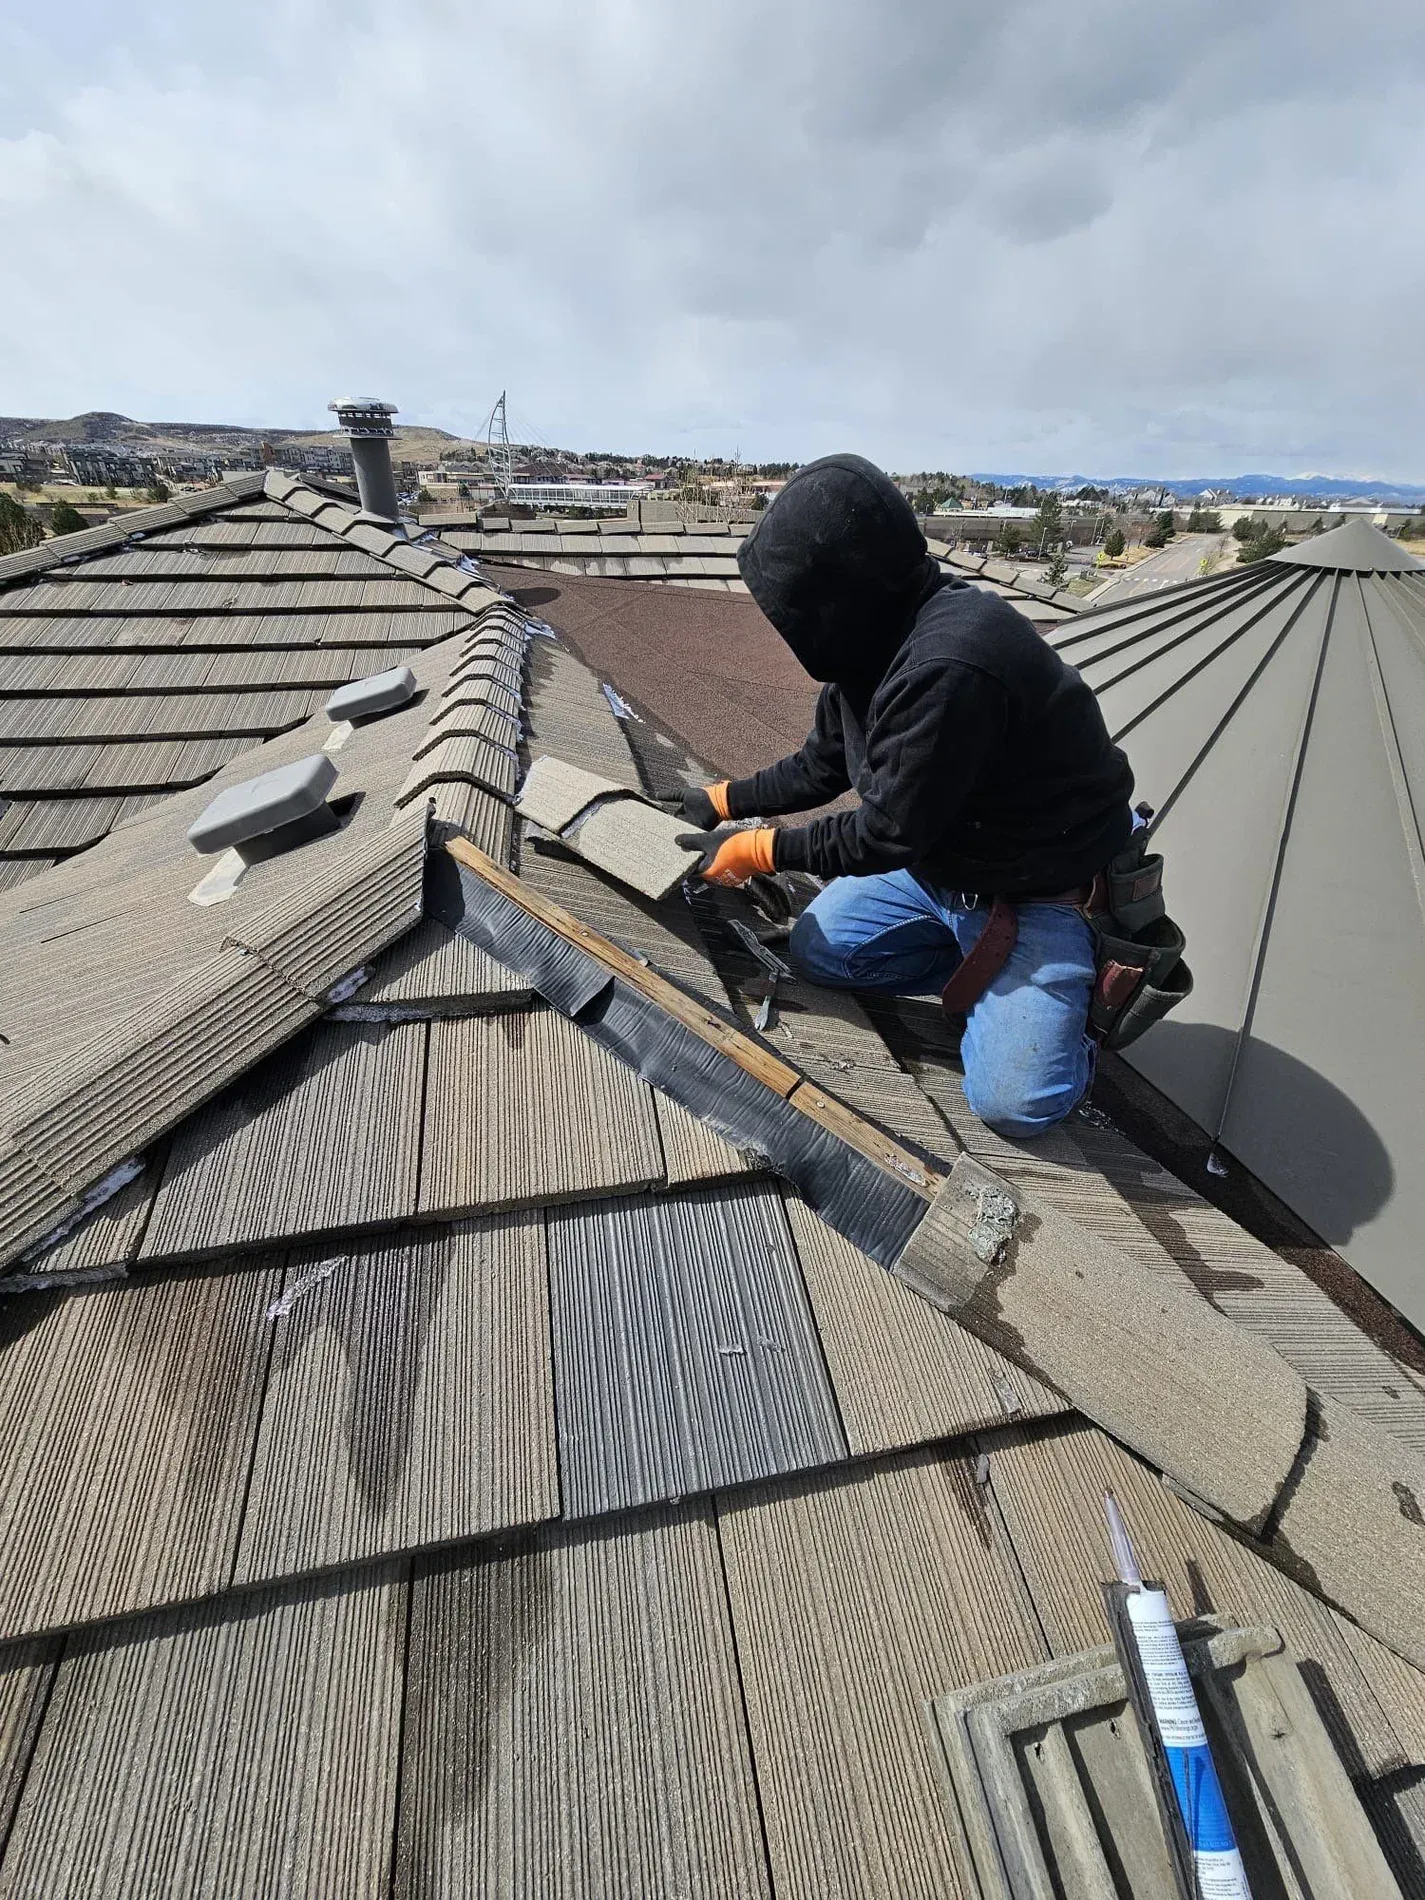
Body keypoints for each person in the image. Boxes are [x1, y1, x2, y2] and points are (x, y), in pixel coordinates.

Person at [677, 453, 1135, 1139]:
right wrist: (720, 801)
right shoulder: (872, 640)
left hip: (1042, 890)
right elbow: (823, 764)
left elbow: (886, 832)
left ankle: (1065, 1014)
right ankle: (982, 974)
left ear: (839, 594)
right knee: (821, 953)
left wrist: (758, 850)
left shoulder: (950, 664)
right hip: (946, 866)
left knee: (1015, 1106)